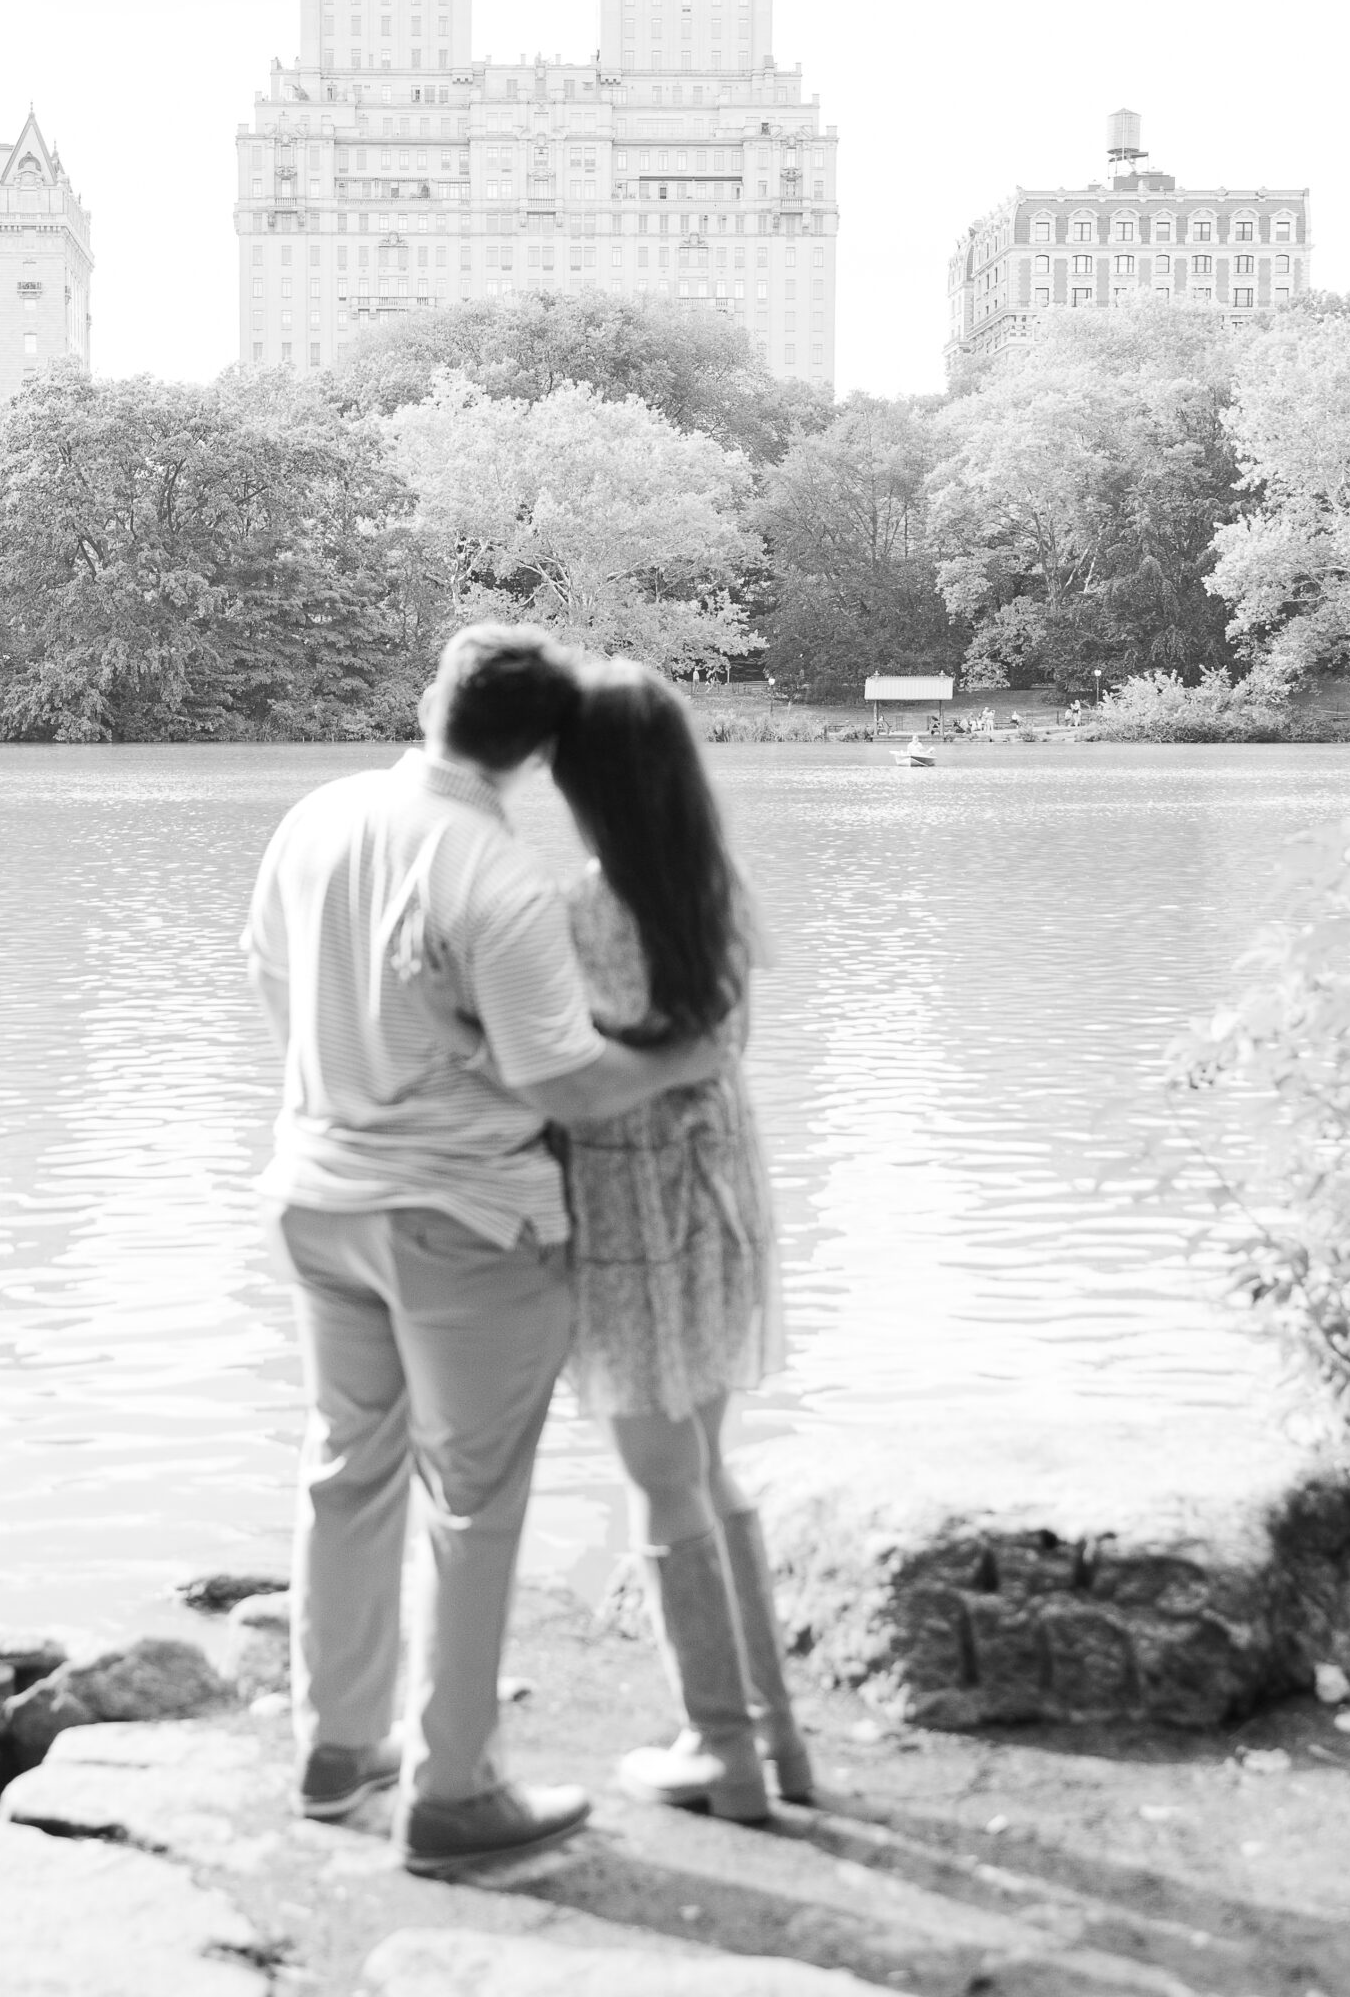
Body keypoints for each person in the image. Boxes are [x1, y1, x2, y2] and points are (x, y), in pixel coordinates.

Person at [243, 624, 729, 1877]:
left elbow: (266, 972)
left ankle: (336, 1748)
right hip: (464, 1219)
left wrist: (357, 1062)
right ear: (536, 758)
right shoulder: (497, 876)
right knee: (471, 1503)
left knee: (344, 1470)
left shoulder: (320, 815)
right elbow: (562, 1081)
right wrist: (684, 1053)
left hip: (314, 1191)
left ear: (431, 701)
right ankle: (452, 1792)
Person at [549, 660, 811, 1826]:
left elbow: (569, 1083)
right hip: (726, 1195)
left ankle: (725, 1755)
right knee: (706, 1466)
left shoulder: (582, 913)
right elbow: (727, 1040)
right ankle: (777, 1744)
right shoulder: (719, 887)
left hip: (632, 1211)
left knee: (661, 1480)